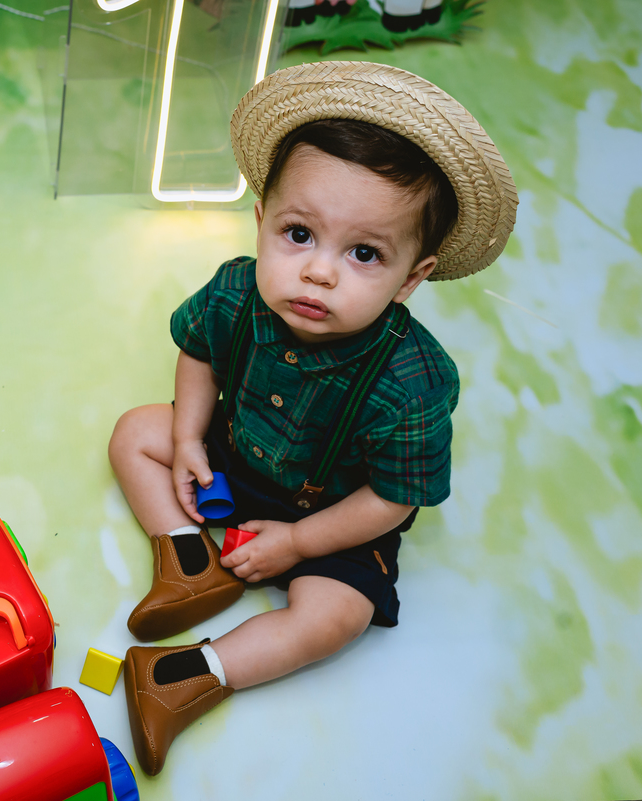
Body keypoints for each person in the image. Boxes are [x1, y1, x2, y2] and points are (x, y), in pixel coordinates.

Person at [106, 61, 518, 776]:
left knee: (337, 616)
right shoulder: (237, 289)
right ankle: (188, 560)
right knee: (133, 433)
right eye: (299, 234)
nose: (319, 272)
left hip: (338, 509)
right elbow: (199, 355)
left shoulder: (411, 382)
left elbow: (394, 497)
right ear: (262, 221)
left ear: (411, 278)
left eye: (363, 253)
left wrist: (298, 543)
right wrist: (184, 441)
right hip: (236, 453)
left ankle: (186, 674)